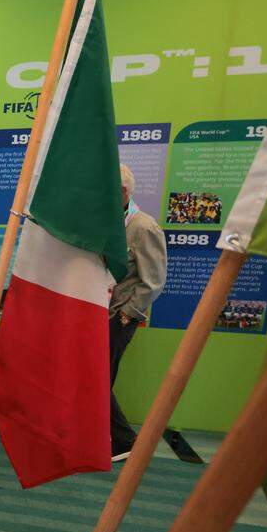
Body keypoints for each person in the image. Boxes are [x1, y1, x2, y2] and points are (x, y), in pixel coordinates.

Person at [109, 165, 167, 461]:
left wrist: (129, 313)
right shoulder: (105, 222)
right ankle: (112, 438)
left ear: (122, 191)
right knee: (96, 379)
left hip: (119, 316)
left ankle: (124, 441)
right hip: (96, 312)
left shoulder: (144, 227)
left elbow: (153, 280)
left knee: (97, 380)